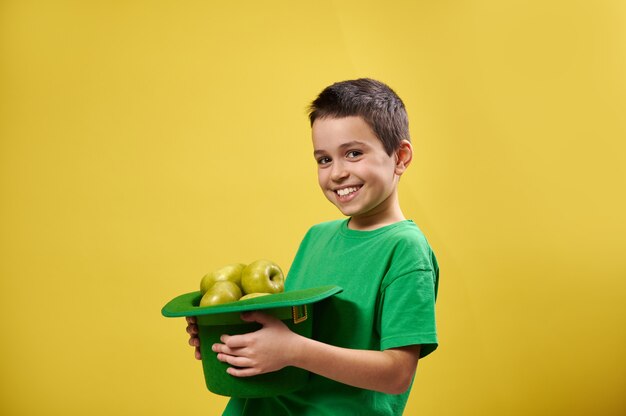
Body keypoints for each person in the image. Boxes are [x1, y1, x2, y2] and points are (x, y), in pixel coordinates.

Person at [185, 78, 439, 415]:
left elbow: (396, 373)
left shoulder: (405, 249)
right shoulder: (316, 237)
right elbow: (292, 334)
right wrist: (234, 338)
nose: (337, 173)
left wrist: (292, 351)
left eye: (353, 153)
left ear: (400, 157)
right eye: (323, 159)